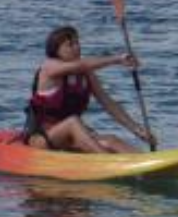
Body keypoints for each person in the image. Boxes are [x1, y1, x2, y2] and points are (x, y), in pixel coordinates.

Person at [22, 25, 155, 153]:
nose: (77, 47)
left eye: (77, 43)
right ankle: (107, 163)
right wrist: (117, 59)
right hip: (41, 138)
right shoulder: (49, 67)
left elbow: (108, 103)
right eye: (70, 44)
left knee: (111, 140)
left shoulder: (86, 74)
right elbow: (81, 64)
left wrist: (137, 129)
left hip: (70, 137)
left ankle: (147, 164)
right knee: (73, 122)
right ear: (56, 51)